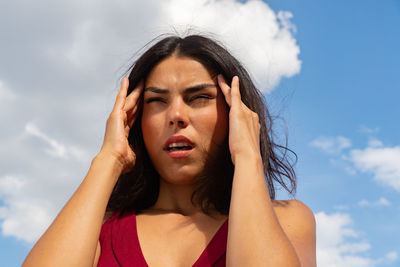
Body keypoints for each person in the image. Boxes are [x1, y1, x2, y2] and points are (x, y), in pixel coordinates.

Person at [22, 34, 316, 267]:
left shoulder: (288, 220)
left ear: (236, 113)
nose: (176, 114)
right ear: (134, 119)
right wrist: (109, 160)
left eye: (199, 97)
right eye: (157, 101)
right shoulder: (101, 225)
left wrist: (247, 156)